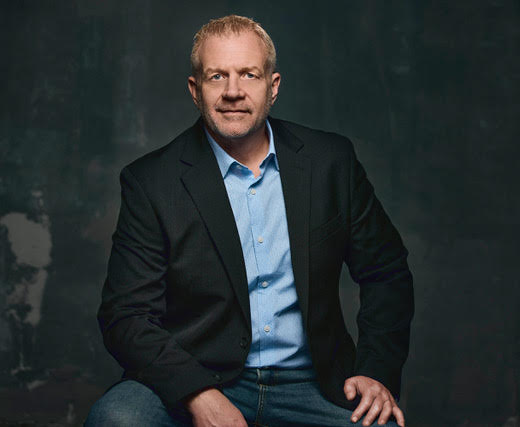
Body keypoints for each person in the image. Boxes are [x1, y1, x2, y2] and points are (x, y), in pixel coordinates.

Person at [86, 15, 413, 427]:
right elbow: (126, 315)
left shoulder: (331, 162)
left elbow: (386, 272)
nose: (233, 91)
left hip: (313, 381)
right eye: (217, 76)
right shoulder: (152, 182)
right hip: (196, 375)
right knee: (118, 419)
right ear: (195, 90)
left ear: (272, 86)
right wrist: (197, 394)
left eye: (249, 75)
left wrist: (375, 371)